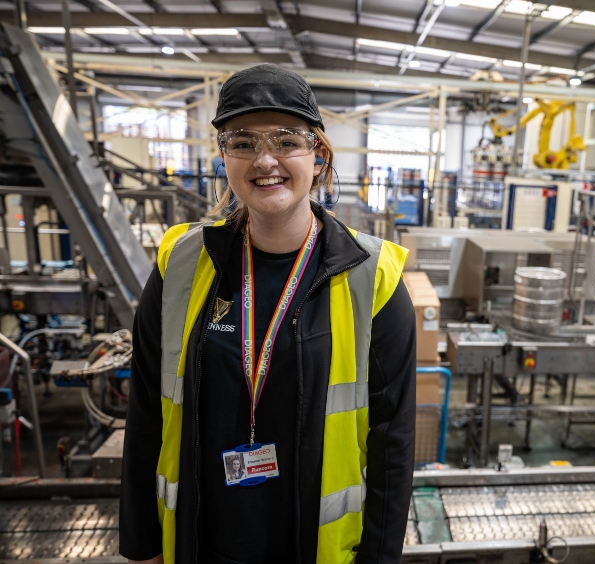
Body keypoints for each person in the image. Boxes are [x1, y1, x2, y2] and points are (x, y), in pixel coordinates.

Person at [119, 64, 416, 564]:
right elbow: (146, 405)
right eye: (242, 142)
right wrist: (142, 545)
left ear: (317, 155)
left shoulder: (373, 278)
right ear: (224, 155)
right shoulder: (182, 264)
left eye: (285, 140)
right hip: (199, 537)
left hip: (309, 544)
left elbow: (393, 443)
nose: (265, 160)